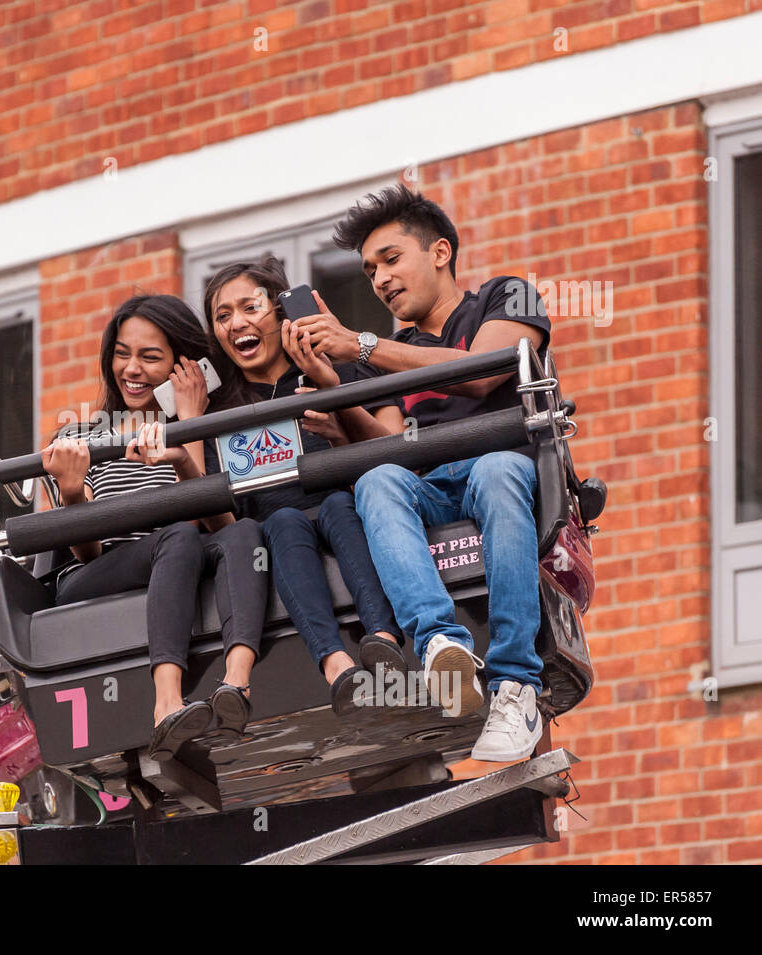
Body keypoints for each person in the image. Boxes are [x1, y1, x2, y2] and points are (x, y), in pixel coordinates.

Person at [312, 183, 551, 761]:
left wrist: (359, 346)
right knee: (377, 480)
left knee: (495, 469)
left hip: (505, 474)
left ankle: (516, 685)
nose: (380, 280)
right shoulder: (392, 352)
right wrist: (336, 396)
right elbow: (392, 446)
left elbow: (479, 372)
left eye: (390, 259)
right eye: (370, 271)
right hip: (436, 485)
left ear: (440, 252)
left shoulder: (508, 295)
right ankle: (441, 642)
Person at [42, 294, 267, 759]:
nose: (132, 369)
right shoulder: (81, 437)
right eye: (123, 354)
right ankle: (167, 703)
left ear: (185, 368)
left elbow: (222, 526)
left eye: (150, 357)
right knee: (179, 535)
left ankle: (236, 684)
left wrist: (189, 431)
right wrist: (70, 492)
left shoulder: (205, 427)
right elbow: (88, 554)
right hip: (101, 572)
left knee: (244, 533)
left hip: (184, 559)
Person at [201, 258, 405, 716]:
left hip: (345, 509)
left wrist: (339, 414)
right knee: (285, 521)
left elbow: (401, 454)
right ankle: (336, 666)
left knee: (335, 503)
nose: (237, 324)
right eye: (222, 316)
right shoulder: (218, 410)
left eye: (249, 307)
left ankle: (384, 639)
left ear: (280, 310)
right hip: (278, 533)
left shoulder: (343, 370)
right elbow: (222, 521)